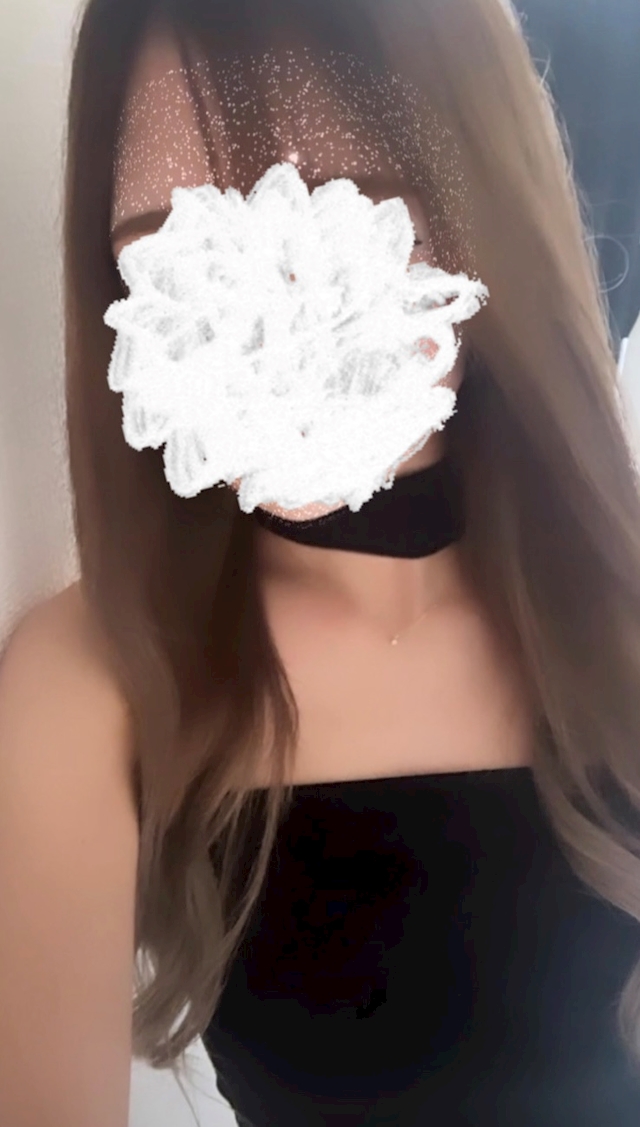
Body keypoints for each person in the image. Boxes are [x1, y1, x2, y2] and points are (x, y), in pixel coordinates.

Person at [2, 1, 640, 1125]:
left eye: (336, 199)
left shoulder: (617, 612)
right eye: (172, 231)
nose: (266, 305)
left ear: (480, 197)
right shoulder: (91, 680)